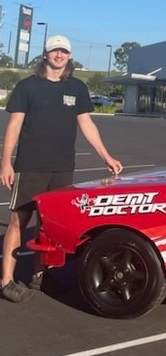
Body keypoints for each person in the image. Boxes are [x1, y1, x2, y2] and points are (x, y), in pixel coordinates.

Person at [0, 35, 123, 302]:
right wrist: (5, 161)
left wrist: (106, 156)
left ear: (69, 56)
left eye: (64, 52)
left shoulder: (77, 88)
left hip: (62, 168)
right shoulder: (27, 86)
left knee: (49, 226)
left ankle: (40, 277)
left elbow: (87, 124)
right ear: (45, 54)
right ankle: (6, 281)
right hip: (30, 166)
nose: (59, 55)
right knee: (19, 221)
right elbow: (14, 127)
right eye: (55, 51)